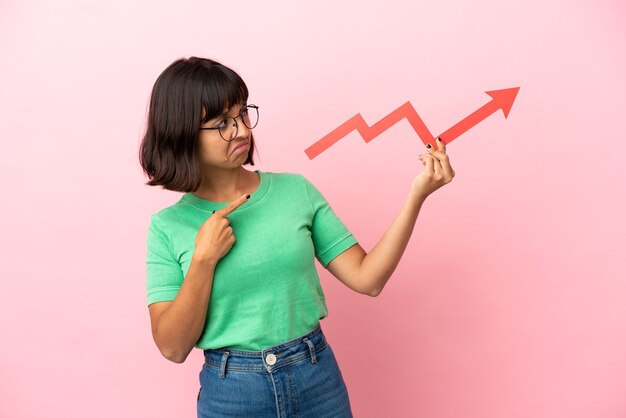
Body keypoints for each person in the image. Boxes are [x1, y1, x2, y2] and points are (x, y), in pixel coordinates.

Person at [139, 56, 455, 418]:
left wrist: (418, 194)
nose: (242, 130)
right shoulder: (168, 226)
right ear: (182, 133)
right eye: (222, 123)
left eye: (243, 114)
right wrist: (203, 260)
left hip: (316, 378)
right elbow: (173, 348)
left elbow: (368, 279)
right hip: (232, 394)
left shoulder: (295, 192)